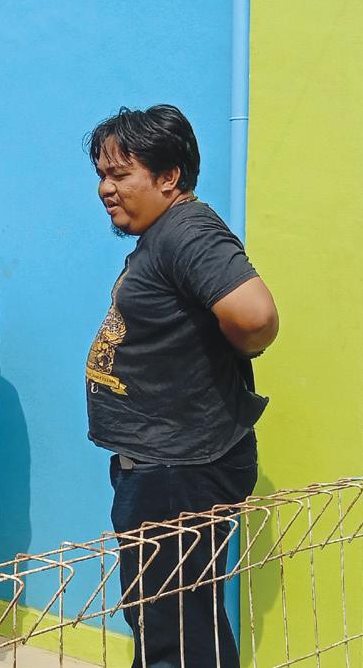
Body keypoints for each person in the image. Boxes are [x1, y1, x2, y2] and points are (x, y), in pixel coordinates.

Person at [84, 105, 278, 667]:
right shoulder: (165, 235)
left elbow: (256, 315)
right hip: (166, 463)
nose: (105, 188)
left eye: (120, 174)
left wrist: (243, 346)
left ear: (169, 177)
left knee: (172, 628)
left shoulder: (187, 230)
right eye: (102, 175)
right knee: (177, 619)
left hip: (179, 469)